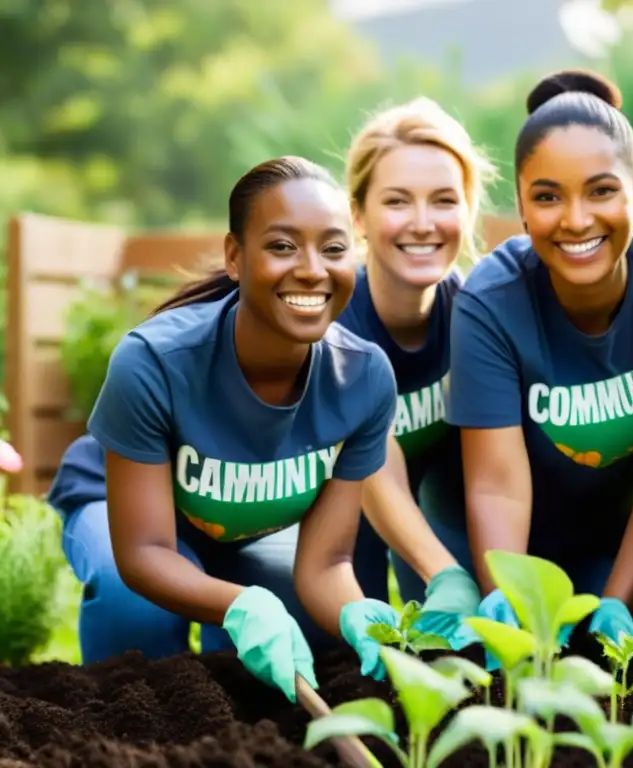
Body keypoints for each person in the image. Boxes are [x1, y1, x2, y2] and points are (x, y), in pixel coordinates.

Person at [55, 155, 415, 703]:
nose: (313, 269)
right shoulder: (154, 361)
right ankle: (120, 728)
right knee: (139, 608)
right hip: (127, 514)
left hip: (239, 532)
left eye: (334, 248)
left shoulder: (364, 379)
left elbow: (325, 564)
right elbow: (145, 551)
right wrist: (238, 603)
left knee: (304, 623)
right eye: (282, 245)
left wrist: (359, 617)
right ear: (234, 257)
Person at [433, 69, 633, 650]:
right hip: (525, 518)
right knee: (497, 654)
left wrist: (618, 601)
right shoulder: (491, 302)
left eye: (601, 190)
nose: (575, 219)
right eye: (547, 197)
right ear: (520, 205)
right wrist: (507, 600)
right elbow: (495, 485)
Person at [328, 97, 499, 680]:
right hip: (324, 505)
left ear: (469, 211)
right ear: (357, 216)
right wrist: (445, 573)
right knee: (347, 660)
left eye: (444, 200)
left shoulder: (476, 317)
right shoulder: (329, 322)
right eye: (397, 201)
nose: (423, 223)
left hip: (426, 498)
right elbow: (373, 469)